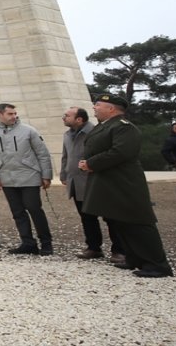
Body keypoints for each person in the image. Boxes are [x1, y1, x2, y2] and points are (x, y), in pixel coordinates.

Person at [79, 94, 174, 278]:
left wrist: (91, 163)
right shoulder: (104, 126)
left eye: (98, 105)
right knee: (119, 222)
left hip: (124, 183)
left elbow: (120, 152)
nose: (94, 107)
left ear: (111, 108)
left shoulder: (124, 128)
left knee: (137, 222)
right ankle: (134, 258)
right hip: (108, 182)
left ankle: (157, 265)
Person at [0, 103, 54, 256]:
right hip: (6, 177)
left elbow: (42, 153)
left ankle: (46, 243)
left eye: (15, 113)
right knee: (17, 212)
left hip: (29, 175)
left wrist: (46, 175)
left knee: (34, 209)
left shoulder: (28, 130)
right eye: (10, 114)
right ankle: (28, 243)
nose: (14, 116)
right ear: (0, 114)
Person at [60, 107, 123, 262]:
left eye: (67, 116)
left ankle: (119, 250)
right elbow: (65, 156)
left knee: (110, 217)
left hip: (94, 181)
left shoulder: (96, 132)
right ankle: (94, 248)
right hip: (76, 182)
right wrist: (64, 174)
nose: (63, 117)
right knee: (87, 217)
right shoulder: (68, 134)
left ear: (79, 119)